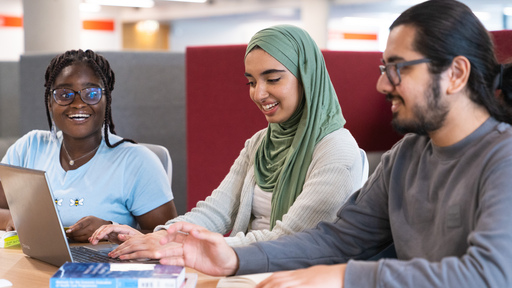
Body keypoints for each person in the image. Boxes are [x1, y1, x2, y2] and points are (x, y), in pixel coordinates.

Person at [108, 1, 512, 287]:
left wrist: (342, 276)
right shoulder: (405, 157)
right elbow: (338, 238)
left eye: (397, 69)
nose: (381, 83)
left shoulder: (503, 158)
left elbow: (489, 275)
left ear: (456, 73)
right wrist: (232, 257)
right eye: (382, 68)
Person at [89, 25, 367, 253]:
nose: (258, 94)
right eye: (252, 82)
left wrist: (187, 248)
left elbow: (291, 240)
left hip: (288, 272)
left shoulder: (337, 150)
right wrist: (159, 236)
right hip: (242, 264)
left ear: (306, 78)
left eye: (273, 79)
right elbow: (216, 212)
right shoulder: (260, 143)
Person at [0, 49, 178, 242]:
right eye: (64, 94)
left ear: (106, 100)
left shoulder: (137, 162)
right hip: (30, 265)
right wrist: (11, 218)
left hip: (102, 268)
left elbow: (168, 238)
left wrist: (112, 232)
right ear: (50, 102)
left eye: (91, 93)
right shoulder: (29, 147)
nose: (78, 103)